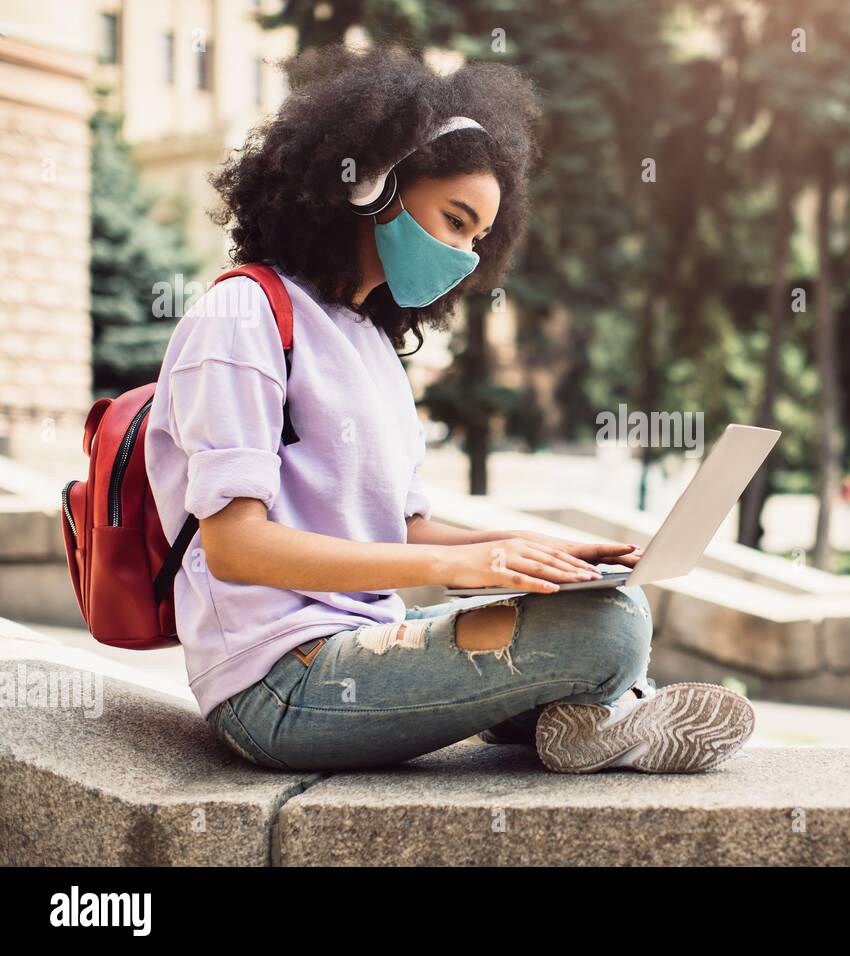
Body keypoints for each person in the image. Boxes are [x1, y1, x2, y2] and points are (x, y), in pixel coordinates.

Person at [144, 44, 754, 773]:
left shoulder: (370, 341)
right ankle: (597, 710)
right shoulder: (243, 314)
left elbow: (405, 529)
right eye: (455, 220)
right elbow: (234, 547)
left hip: (360, 643)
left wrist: (539, 549)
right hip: (276, 685)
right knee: (608, 639)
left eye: (479, 238)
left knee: (604, 611)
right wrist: (471, 563)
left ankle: (578, 724)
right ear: (373, 185)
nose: (466, 255)